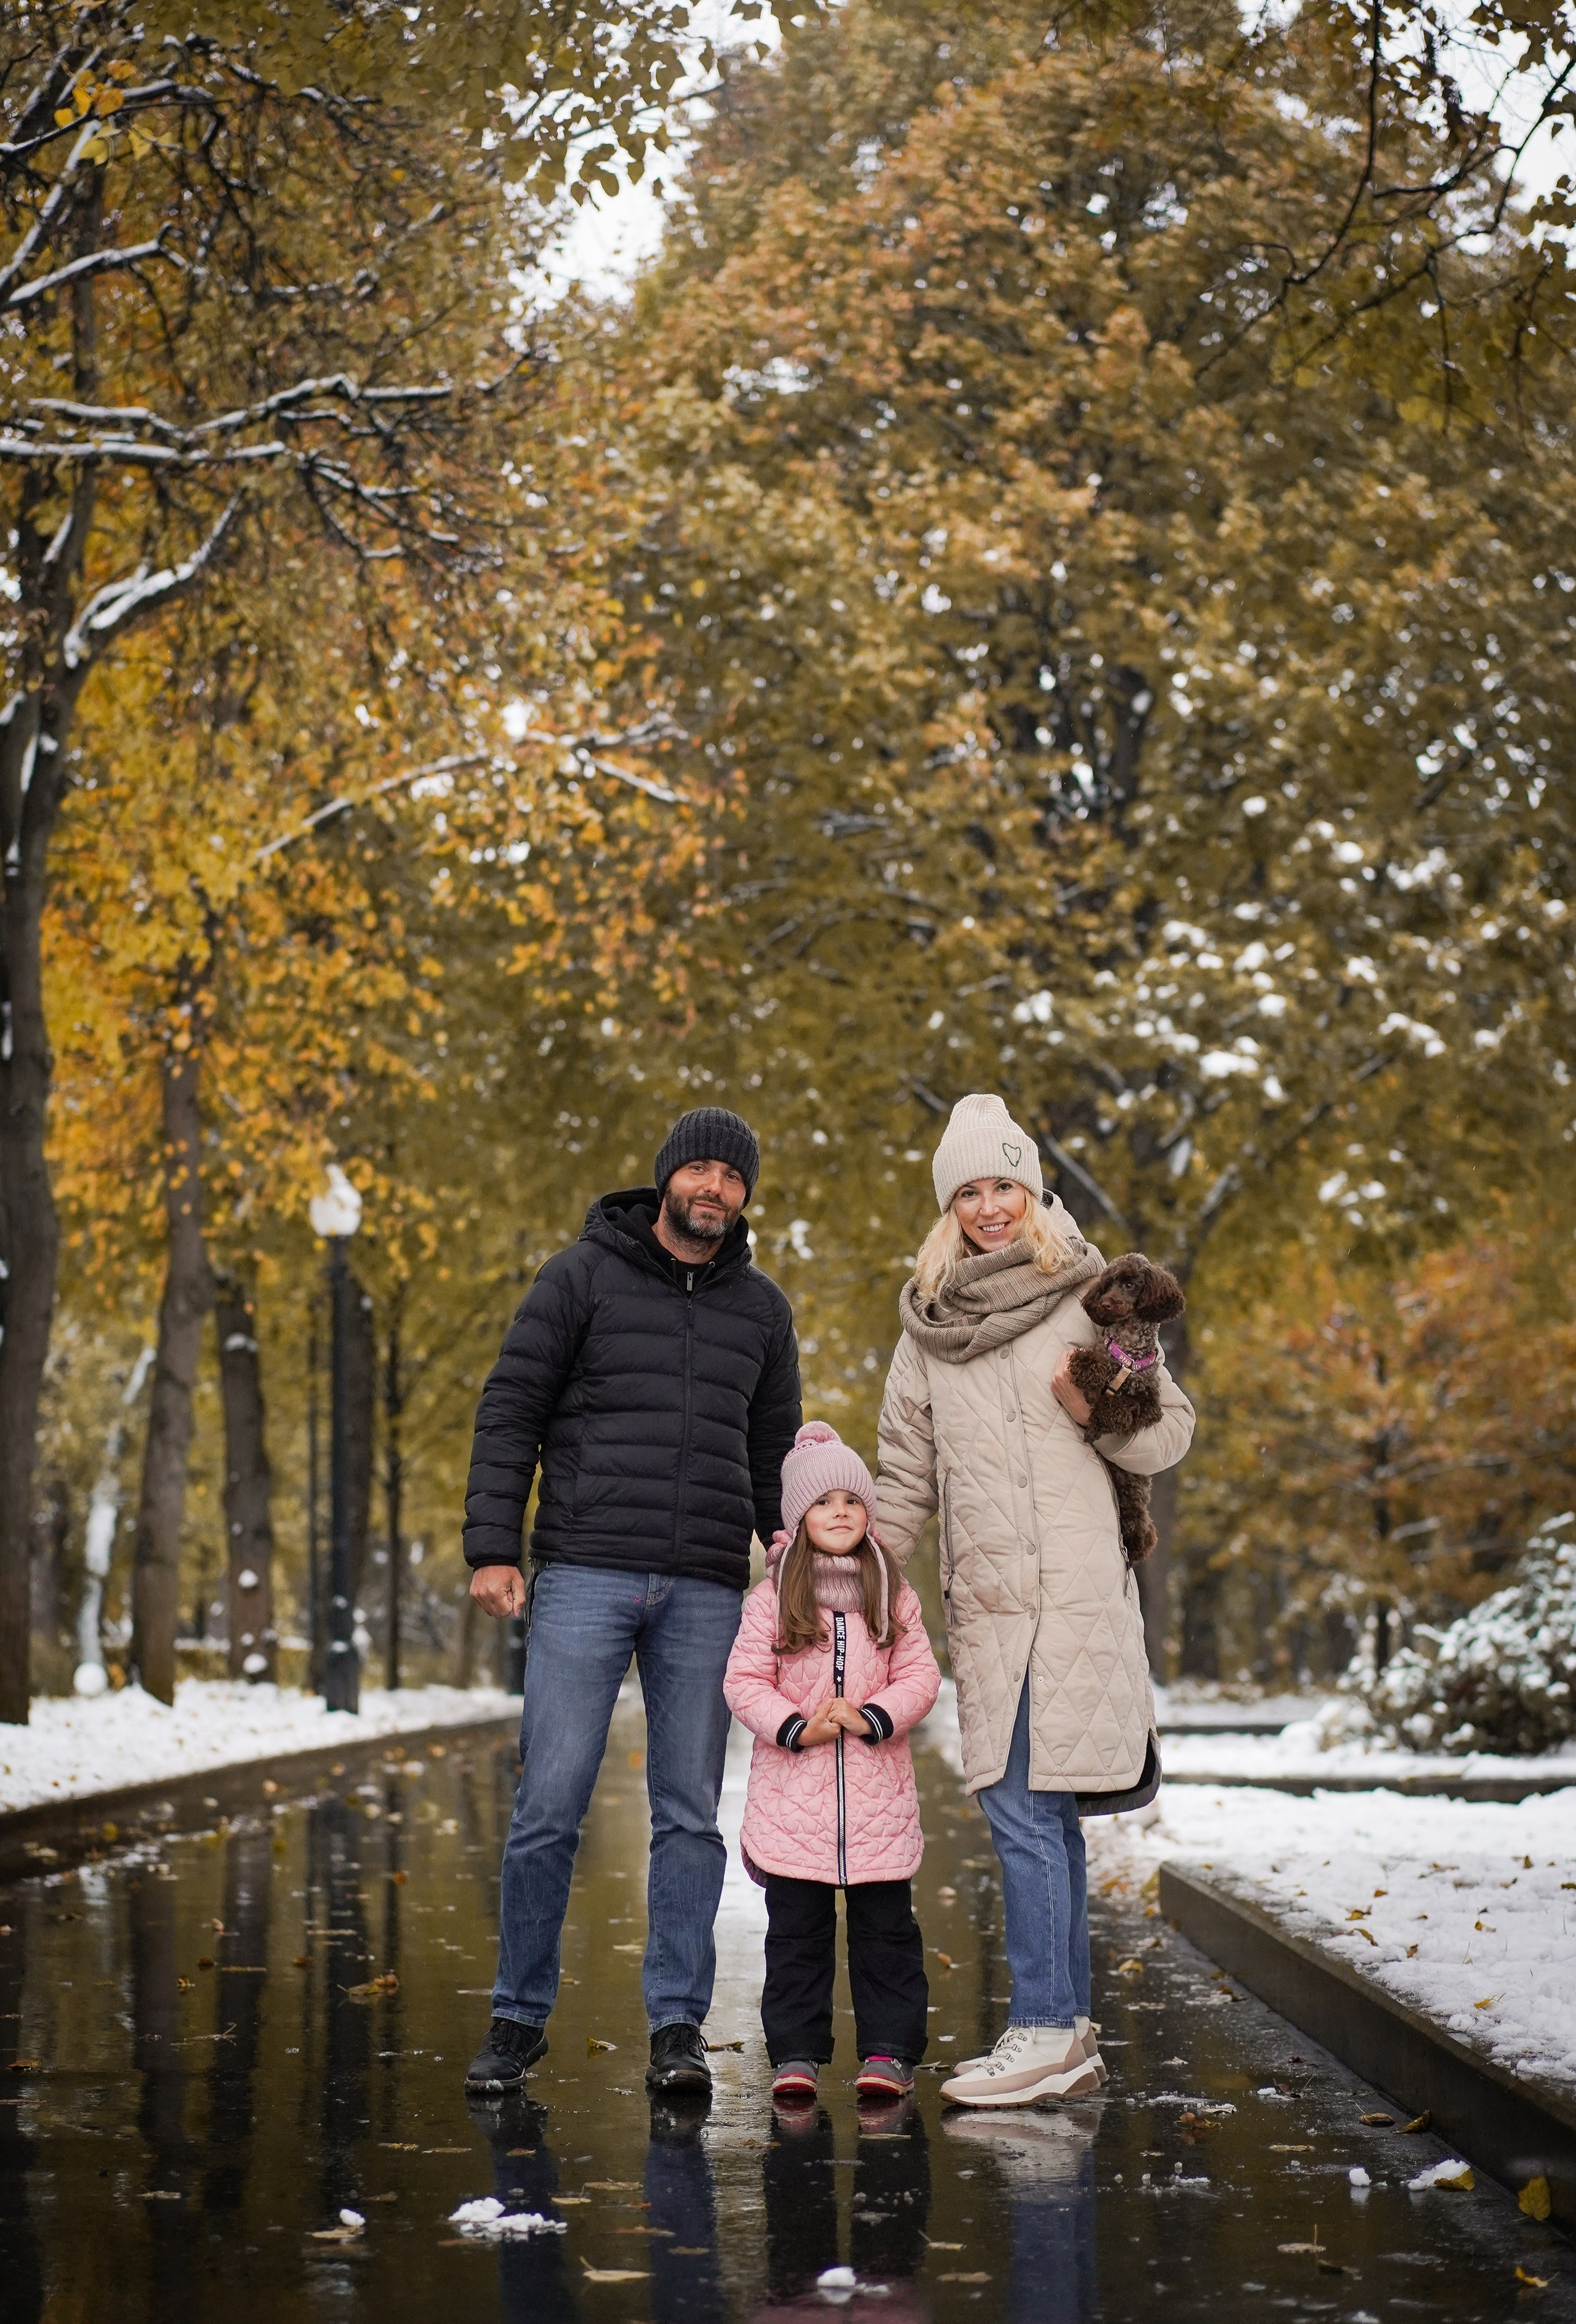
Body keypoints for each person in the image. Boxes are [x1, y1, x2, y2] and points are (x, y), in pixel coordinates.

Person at [460, 1106, 802, 2098]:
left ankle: (678, 2026)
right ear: (665, 1179)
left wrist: (790, 1570)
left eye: (732, 1177)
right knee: (550, 1803)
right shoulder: (580, 1276)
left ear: (744, 1195)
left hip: (705, 1586)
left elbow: (776, 1452)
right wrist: (493, 1544)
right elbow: (512, 1404)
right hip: (583, 1572)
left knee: (689, 1814)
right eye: (698, 1169)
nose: (714, 1189)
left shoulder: (763, 1309)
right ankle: (517, 2018)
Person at [876, 1093, 1194, 2108]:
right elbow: (901, 1473)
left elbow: (1166, 1436)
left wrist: (1094, 1401)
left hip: (1079, 1601)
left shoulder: (1098, 1299)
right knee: (1033, 1814)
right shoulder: (928, 1327)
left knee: (1027, 1811)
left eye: (1002, 1184)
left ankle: (1049, 2027)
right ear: (948, 1207)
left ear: (1031, 1189)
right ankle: (1062, 2031)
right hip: (992, 1607)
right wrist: (848, 1587)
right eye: (967, 1191)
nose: (988, 1207)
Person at [723, 1423, 941, 2108]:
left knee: (888, 1937)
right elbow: (744, 1681)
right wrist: (797, 1725)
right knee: (796, 1938)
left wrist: (875, 1713)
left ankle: (888, 2052)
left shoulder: (890, 1593)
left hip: (878, 1808)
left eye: (853, 1499)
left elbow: (920, 1674)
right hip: (793, 1808)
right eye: (824, 1502)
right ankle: (795, 2054)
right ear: (797, 1518)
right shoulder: (772, 1600)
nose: (840, 1511)